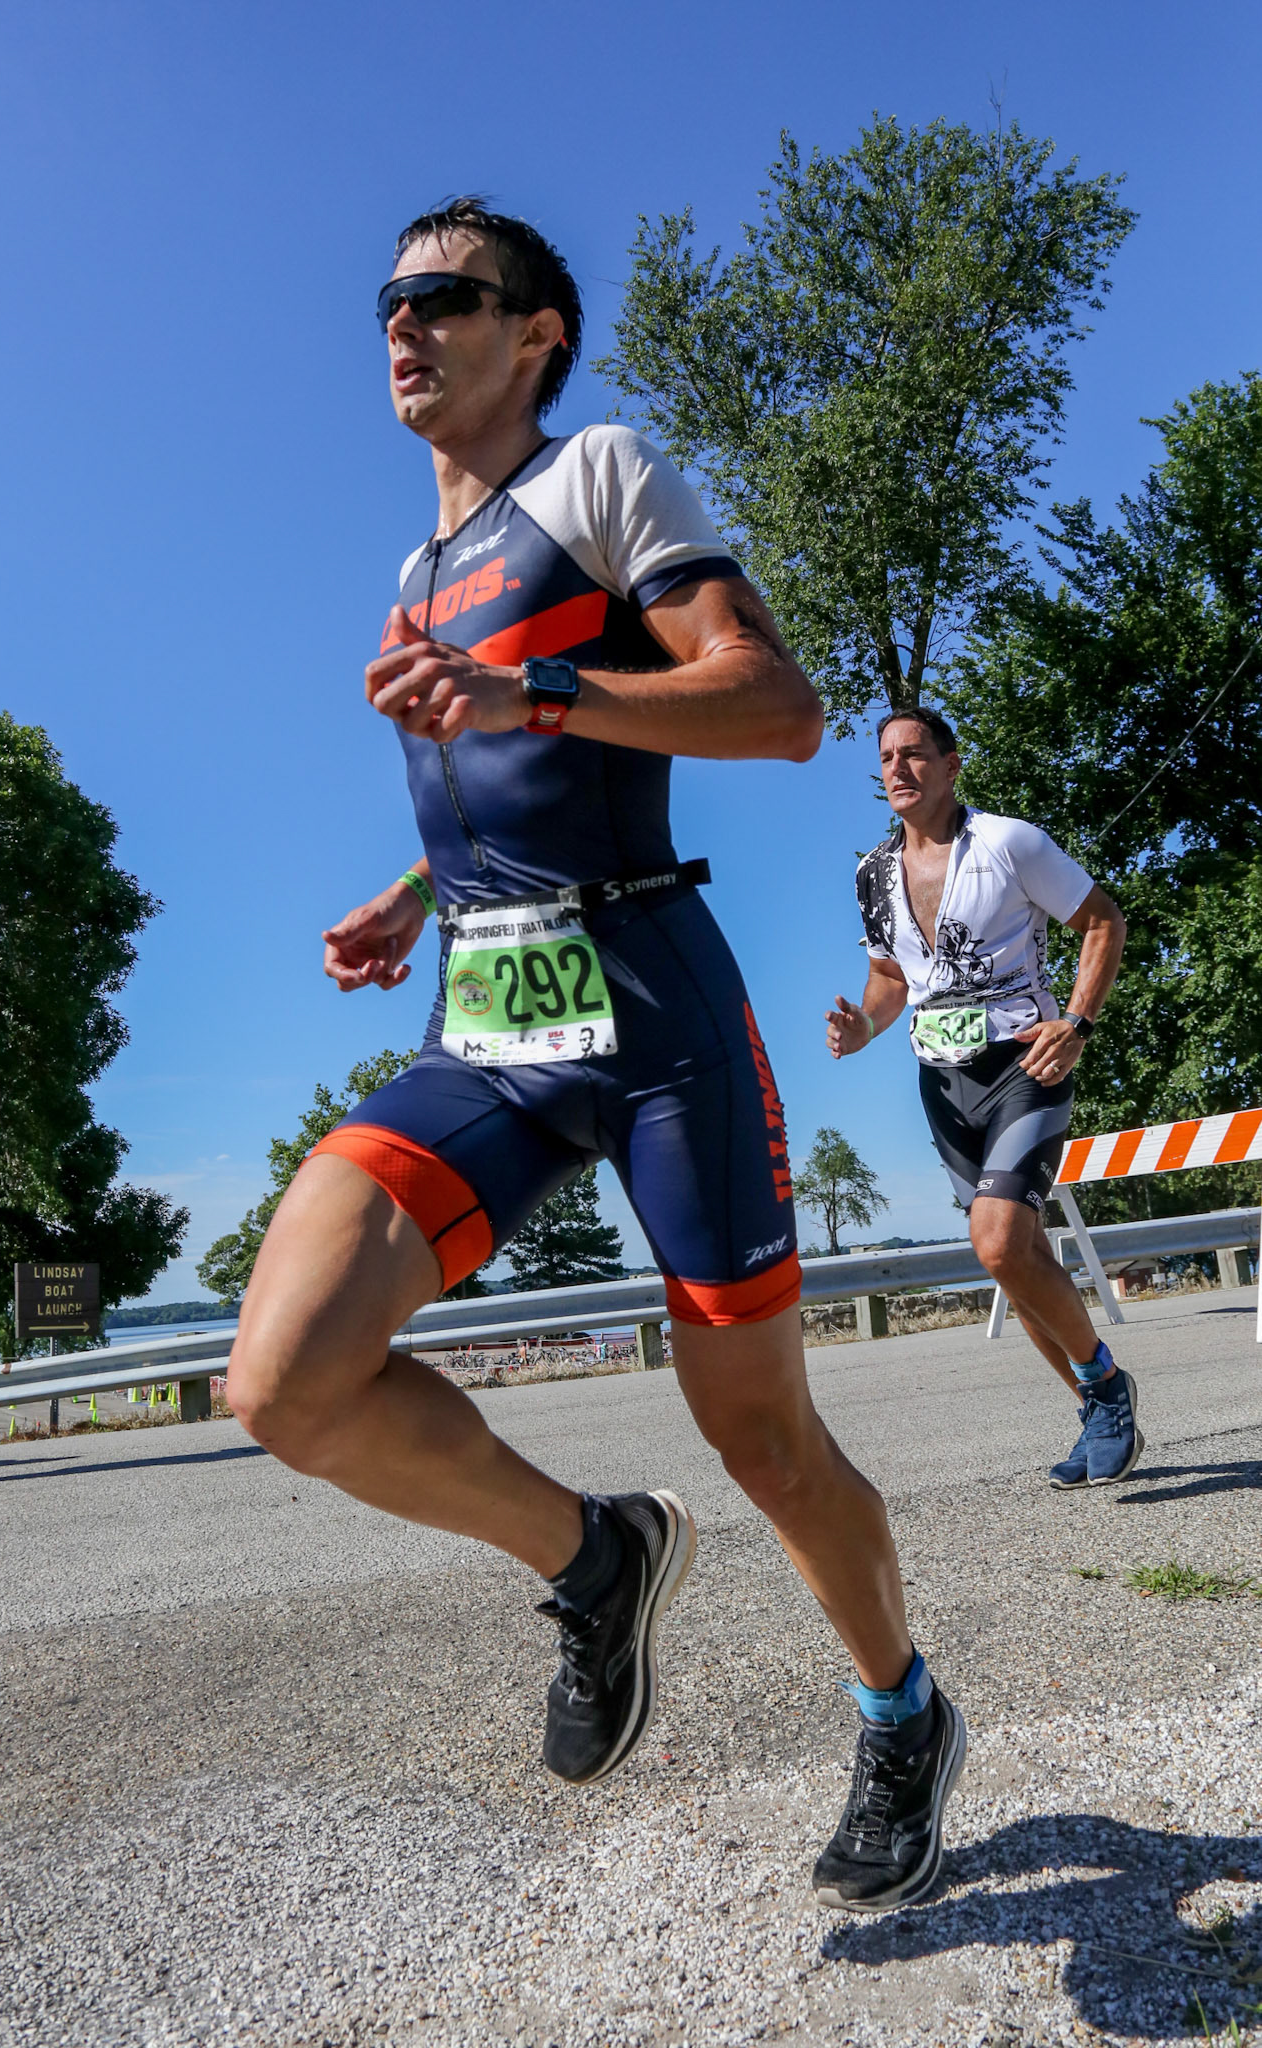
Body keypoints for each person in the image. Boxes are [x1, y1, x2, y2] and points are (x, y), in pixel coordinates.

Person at [227, 198, 966, 1911]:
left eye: (445, 296)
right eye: (386, 299)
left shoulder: (602, 477)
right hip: (485, 1015)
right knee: (284, 1378)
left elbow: (777, 707)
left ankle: (902, 1708)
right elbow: (499, 774)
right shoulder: (414, 569)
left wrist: (538, 698)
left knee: (763, 1438)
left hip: (649, 1010)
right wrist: (415, 891)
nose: (404, 324)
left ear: (536, 332)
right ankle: (592, 1554)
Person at [826, 707, 1138, 1489]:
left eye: (914, 755)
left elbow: (1102, 921)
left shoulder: (1009, 842)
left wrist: (1076, 1022)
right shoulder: (870, 873)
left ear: (951, 764)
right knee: (1015, 1261)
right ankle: (1096, 1407)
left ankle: (1105, 1386)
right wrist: (863, 1026)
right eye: (886, 760)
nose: (898, 770)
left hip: (1023, 1066)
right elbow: (890, 981)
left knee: (997, 1244)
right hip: (941, 1080)